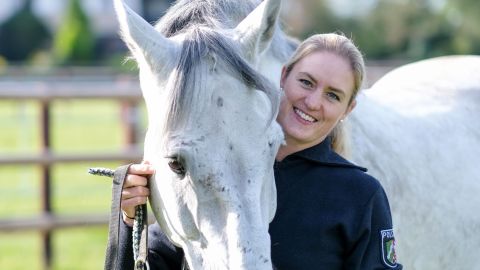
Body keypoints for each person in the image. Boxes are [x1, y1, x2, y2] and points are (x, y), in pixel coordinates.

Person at [117, 33, 402, 269]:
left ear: (347, 109)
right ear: (283, 76)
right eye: (306, 82)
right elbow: (156, 259)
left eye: (333, 95)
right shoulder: (223, 166)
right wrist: (130, 219)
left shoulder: (361, 195)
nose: (313, 102)